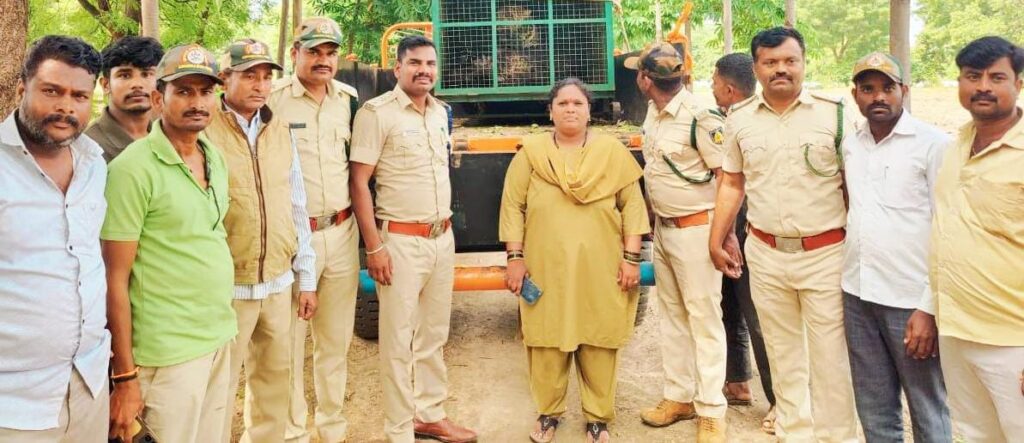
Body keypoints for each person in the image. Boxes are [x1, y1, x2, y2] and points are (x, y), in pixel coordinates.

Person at [708, 27, 858, 442]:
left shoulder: (835, 114)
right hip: (766, 252)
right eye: (770, 62)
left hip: (826, 254)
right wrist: (718, 237)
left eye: (790, 61)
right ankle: (794, 433)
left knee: (831, 360)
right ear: (756, 68)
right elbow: (732, 183)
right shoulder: (739, 119)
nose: (781, 69)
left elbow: (852, 186)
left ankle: (838, 437)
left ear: (804, 63)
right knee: (783, 354)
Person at [499, 77, 650, 443]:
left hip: (601, 266)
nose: (570, 109)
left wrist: (631, 259)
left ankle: (598, 418)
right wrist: (515, 257)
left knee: (599, 338)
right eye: (562, 103)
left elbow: (632, 207)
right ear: (550, 112)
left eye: (577, 103)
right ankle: (548, 414)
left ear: (589, 111)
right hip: (545, 266)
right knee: (546, 340)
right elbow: (512, 206)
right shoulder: (531, 154)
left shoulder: (611, 153)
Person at [102, 44, 237, 443]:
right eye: (184, 91)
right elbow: (114, 279)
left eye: (206, 91)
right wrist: (125, 377)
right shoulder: (131, 170)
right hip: (166, 355)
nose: (197, 103)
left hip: (218, 336)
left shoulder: (213, 155)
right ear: (159, 98)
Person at [349, 35, 477, 443]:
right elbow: (359, 182)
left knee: (434, 334)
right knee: (397, 340)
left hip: (441, 237)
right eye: (415, 63)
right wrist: (374, 247)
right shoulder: (377, 113)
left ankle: (430, 414)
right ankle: (399, 429)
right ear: (397, 68)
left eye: (430, 64)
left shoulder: (441, 113)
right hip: (400, 242)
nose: (424, 70)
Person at [204, 38, 319, 443]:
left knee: (274, 384)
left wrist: (306, 276)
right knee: (217, 391)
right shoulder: (204, 130)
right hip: (227, 286)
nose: (260, 85)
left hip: (277, 283)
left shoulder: (279, 129)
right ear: (225, 78)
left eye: (266, 77)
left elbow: (296, 203)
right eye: (249, 75)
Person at [0, 35, 108, 442]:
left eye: (79, 96)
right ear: (21, 89)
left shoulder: (94, 164)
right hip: (15, 402)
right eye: (52, 91)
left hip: (88, 383)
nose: (66, 106)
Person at [842, 51, 953, 443]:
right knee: (874, 407)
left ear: (903, 90)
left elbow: (947, 227)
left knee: (927, 406)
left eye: (887, 88)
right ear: (855, 95)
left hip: (910, 301)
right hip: (858, 294)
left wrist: (929, 307)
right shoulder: (852, 143)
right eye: (868, 88)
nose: (878, 97)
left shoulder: (933, 144)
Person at [626, 42, 728, 442]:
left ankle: (711, 410)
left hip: (698, 231)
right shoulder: (654, 113)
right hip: (665, 231)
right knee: (672, 316)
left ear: (645, 79)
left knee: (704, 319)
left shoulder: (701, 116)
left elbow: (727, 180)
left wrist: (722, 237)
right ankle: (679, 396)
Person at [267, 18, 361, 442]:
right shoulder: (273, 100)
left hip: (342, 230)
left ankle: (331, 429)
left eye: (330, 53)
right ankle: (292, 433)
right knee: (286, 345)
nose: (323, 60)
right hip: (291, 238)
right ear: (295, 53)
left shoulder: (348, 100)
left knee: (335, 343)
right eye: (314, 52)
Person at [931, 36, 1024, 442]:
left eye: (996, 77)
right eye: (972, 76)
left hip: (1012, 341)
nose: (983, 86)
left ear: (1018, 84)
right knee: (973, 435)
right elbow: (945, 233)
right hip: (957, 331)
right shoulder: (957, 145)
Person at [709, 52, 777, 435]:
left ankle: (781, 401)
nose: (711, 87)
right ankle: (737, 381)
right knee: (730, 305)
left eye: (714, 81)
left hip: (748, 225)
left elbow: (732, 182)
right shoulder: (731, 118)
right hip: (730, 223)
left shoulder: (748, 122)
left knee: (757, 313)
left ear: (730, 88)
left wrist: (730, 232)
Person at [86, 36, 163, 161]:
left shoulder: (166, 136)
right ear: (106, 85)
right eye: (125, 75)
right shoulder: (90, 147)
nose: (137, 84)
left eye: (146, 74)